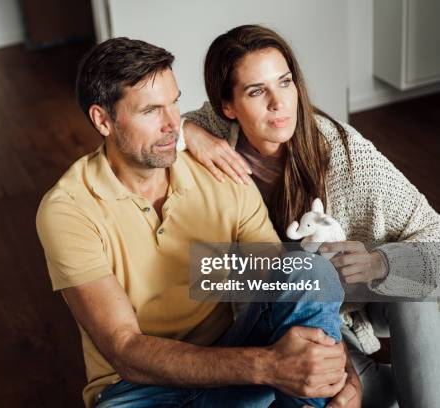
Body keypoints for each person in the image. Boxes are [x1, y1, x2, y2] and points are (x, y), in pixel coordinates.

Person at [36, 37, 353, 407]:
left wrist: (343, 377)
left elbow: (285, 281)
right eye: (152, 110)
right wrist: (268, 367)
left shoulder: (220, 173)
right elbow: (124, 349)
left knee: (309, 270)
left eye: (174, 102)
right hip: (135, 389)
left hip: (228, 362)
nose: (174, 124)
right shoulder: (68, 209)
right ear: (102, 120)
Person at [179, 24, 440, 407]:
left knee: (411, 288)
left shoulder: (345, 154)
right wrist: (189, 132)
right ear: (227, 106)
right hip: (289, 310)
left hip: (359, 294)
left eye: (285, 83)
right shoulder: (212, 139)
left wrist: (378, 263)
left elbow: (435, 238)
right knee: (362, 394)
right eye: (256, 91)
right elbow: (149, 129)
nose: (278, 102)